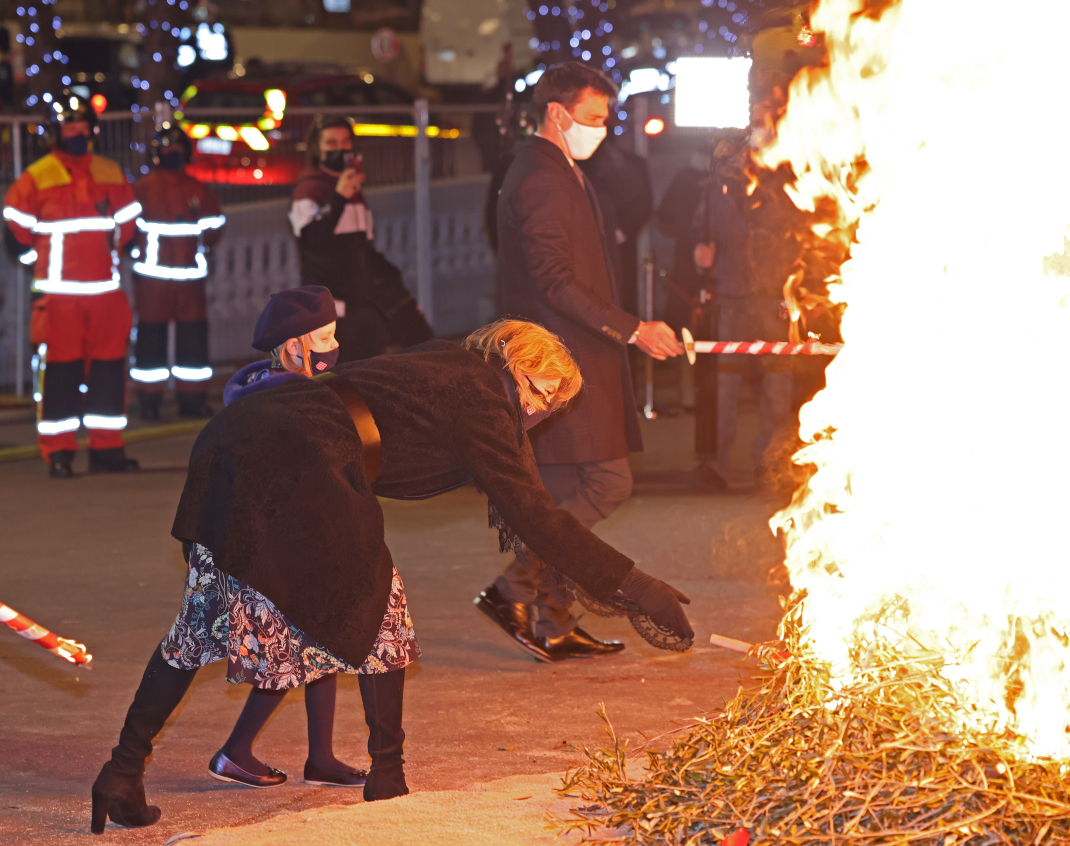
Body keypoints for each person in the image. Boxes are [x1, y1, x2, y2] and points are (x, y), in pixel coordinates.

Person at [90, 315, 694, 834]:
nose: (536, 410)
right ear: (512, 361)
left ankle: (120, 773)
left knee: (202, 621)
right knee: (383, 612)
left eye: (551, 406)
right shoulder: (484, 397)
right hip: (306, 452)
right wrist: (637, 587)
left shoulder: (449, 364)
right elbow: (537, 518)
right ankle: (388, 777)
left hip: (236, 439)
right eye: (537, 391)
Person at [475, 62, 682, 663]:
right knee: (606, 482)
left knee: (565, 488)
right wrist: (632, 328)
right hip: (559, 358)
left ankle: (552, 619)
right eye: (594, 118)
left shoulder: (557, 168)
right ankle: (514, 589)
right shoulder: (540, 178)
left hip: (568, 353)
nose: (603, 129)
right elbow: (555, 281)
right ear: (558, 113)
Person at [3, 90, 142, 476]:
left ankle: (107, 450)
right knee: (59, 379)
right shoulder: (36, 177)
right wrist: (42, 269)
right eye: (69, 126)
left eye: (81, 125)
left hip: (105, 299)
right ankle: (59, 454)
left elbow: (130, 229)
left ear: (92, 129)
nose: (76, 132)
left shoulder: (111, 173)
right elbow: (14, 232)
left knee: (109, 375)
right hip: (59, 301)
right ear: (55, 131)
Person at [692, 134, 794, 488]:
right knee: (722, 386)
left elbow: (795, 235)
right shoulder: (714, 193)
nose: (738, 163)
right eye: (730, 157)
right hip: (730, 296)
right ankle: (715, 464)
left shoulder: (782, 189)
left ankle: (771, 462)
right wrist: (700, 254)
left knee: (778, 387)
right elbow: (695, 232)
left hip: (772, 296)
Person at [289, 115, 432, 362]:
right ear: (316, 148)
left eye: (345, 143)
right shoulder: (309, 189)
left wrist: (396, 288)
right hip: (332, 309)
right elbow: (312, 241)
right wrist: (339, 197)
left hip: (361, 304)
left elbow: (363, 249)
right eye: (331, 144)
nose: (340, 149)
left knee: (374, 370)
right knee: (338, 377)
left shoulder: (353, 189)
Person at [129, 123, 224, 420]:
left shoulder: (198, 190)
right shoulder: (142, 190)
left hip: (188, 281)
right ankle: (149, 402)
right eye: (167, 149)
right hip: (153, 281)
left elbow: (214, 227)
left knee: (192, 342)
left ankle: (192, 400)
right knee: (150, 341)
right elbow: (127, 229)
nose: (173, 153)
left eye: (177, 149)